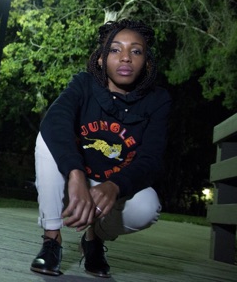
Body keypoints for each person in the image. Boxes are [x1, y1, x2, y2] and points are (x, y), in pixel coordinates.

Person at [30, 19, 172, 278]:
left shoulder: (158, 100)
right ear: (100, 59)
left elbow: (151, 160)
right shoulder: (84, 84)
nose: (126, 57)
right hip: (72, 183)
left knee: (147, 207)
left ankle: (93, 238)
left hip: (111, 189)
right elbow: (56, 120)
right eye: (115, 49)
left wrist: (115, 186)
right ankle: (52, 239)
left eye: (136, 51)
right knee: (48, 135)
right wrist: (75, 174)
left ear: (147, 63)